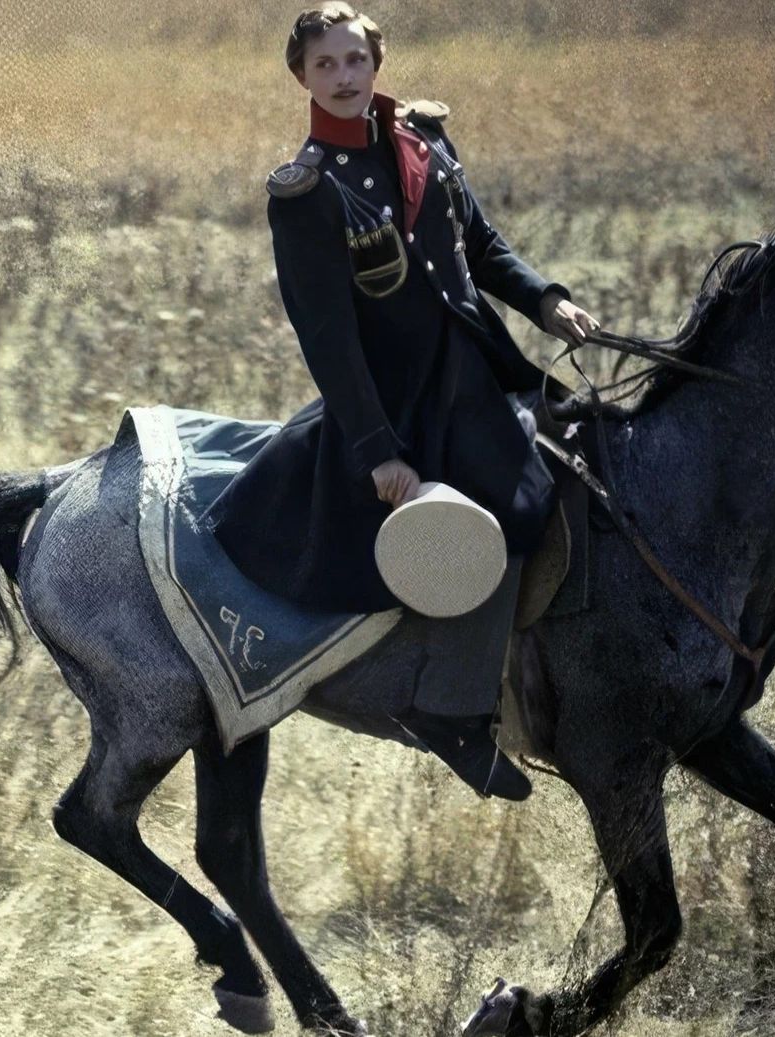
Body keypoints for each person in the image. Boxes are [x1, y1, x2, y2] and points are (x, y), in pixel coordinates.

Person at [203, 2, 601, 800]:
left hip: (475, 370)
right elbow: (328, 337)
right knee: (512, 508)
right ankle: (454, 708)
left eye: (355, 59)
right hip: (399, 403)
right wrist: (379, 450)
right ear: (301, 76)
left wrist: (546, 300)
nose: (343, 76)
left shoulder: (424, 141)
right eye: (325, 64)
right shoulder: (306, 192)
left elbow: (479, 245)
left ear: (376, 63)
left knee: (594, 449)